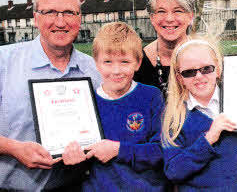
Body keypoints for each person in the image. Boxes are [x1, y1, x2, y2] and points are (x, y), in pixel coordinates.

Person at [0, 0, 101, 191]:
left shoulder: (94, 70)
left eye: (69, 13)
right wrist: (13, 148)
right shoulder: (4, 61)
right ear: (36, 18)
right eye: (51, 12)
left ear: (79, 18)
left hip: (73, 186)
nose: (60, 22)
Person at [162, 38, 237, 191]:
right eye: (189, 72)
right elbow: (174, 171)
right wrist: (208, 140)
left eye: (206, 68)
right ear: (180, 78)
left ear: (219, 69)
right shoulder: (175, 116)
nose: (199, 76)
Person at [63, 22, 169, 191]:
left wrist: (118, 150)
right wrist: (72, 158)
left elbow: (162, 150)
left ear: (138, 62)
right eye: (108, 62)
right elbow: (81, 159)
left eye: (125, 62)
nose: (116, 70)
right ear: (96, 63)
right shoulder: (85, 101)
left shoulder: (151, 96)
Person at [133, 0, 194, 96]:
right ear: (152, 18)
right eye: (161, 11)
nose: (169, 19)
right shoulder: (137, 62)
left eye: (178, 11)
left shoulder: (207, 58)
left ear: (190, 16)